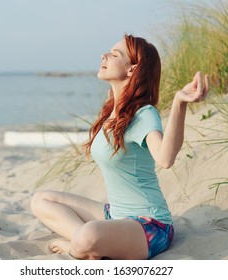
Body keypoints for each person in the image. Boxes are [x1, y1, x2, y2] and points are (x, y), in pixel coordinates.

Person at [30, 34, 209, 260]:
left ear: (132, 69)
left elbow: (165, 158)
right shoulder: (112, 111)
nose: (103, 56)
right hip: (113, 214)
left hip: (149, 226)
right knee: (41, 200)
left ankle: (75, 247)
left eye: (114, 55)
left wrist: (179, 103)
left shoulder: (144, 114)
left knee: (88, 235)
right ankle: (88, 245)